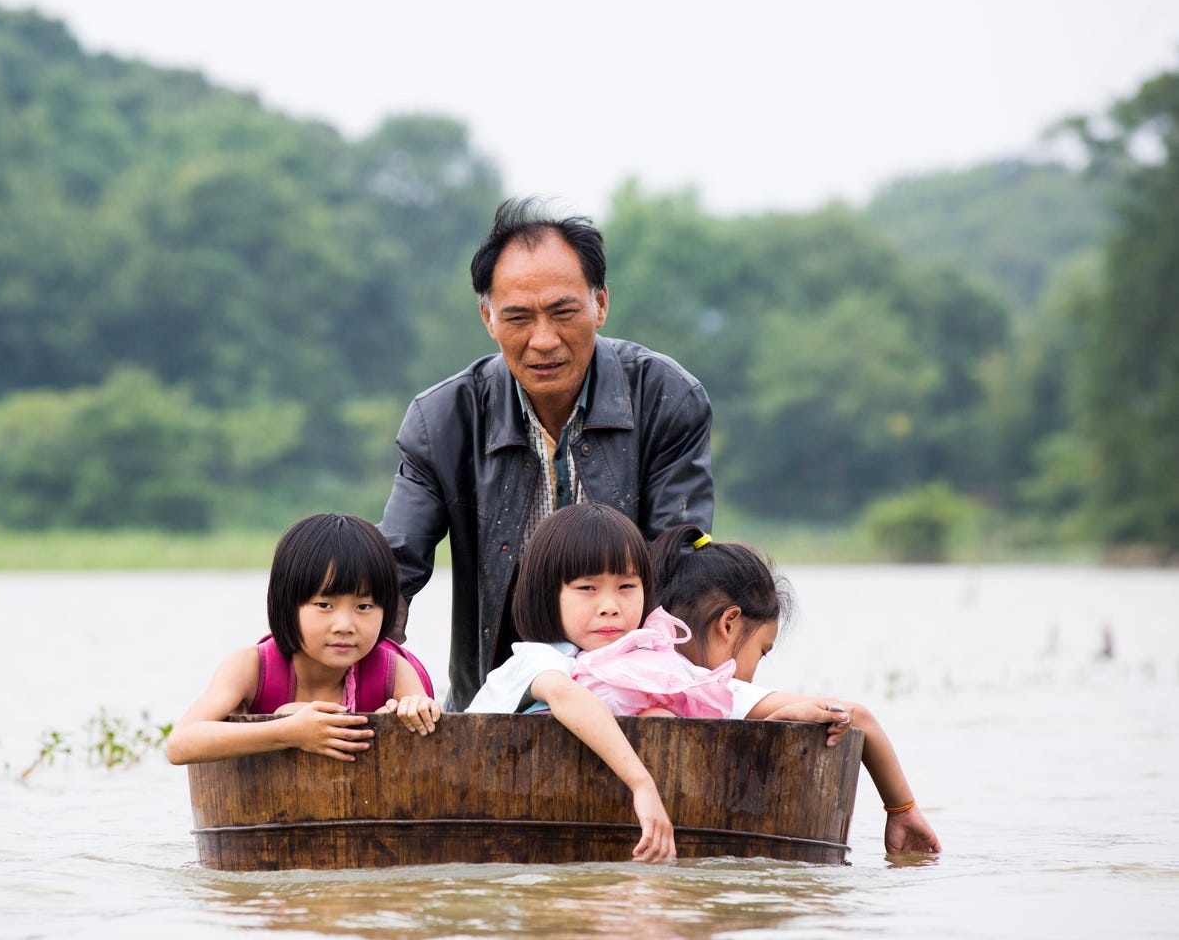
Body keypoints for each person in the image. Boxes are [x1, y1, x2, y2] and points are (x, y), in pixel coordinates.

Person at [379, 196, 714, 710]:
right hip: (497, 702)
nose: (543, 340)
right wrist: (346, 674)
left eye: (563, 312)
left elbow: (681, 564)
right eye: (518, 317)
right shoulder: (442, 420)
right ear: (488, 318)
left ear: (600, 304)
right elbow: (390, 573)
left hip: (637, 700)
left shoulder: (666, 397)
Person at [650, 523, 943, 855]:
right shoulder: (704, 687)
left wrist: (773, 720)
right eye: (761, 650)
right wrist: (902, 810)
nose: (755, 669)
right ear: (728, 624)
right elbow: (858, 717)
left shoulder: (625, 664)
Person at [465, 503, 680, 862]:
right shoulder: (535, 659)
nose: (610, 605)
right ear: (547, 595)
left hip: (588, 821)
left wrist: (784, 705)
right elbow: (565, 695)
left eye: (626, 586)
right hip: (508, 819)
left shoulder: (641, 660)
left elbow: (708, 689)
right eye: (587, 588)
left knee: (661, 712)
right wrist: (641, 783)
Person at [165, 514, 442, 765]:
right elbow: (180, 744)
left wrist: (403, 715)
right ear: (287, 605)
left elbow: (428, 752)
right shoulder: (251, 667)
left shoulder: (393, 670)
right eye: (324, 605)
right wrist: (290, 731)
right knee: (287, 711)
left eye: (364, 607)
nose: (345, 625)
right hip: (268, 809)